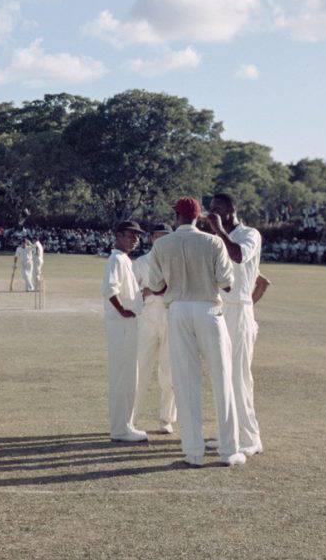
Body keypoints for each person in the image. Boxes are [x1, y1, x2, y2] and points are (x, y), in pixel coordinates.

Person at [146, 198, 245, 468]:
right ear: (198, 217)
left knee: (186, 381)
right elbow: (226, 282)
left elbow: (155, 285)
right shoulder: (212, 242)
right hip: (209, 310)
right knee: (222, 379)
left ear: (176, 216)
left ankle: (193, 452)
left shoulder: (161, 244)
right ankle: (228, 451)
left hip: (177, 310)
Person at [206, 193, 264, 457]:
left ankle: (250, 438)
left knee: (239, 376)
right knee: (222, 373)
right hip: (219, 307)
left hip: (240, 310)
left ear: (230, 210)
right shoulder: (217, 239)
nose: (212, 214)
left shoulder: (250, 234)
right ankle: (228, 433)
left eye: (217, 210)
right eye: (210, 211)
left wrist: (218, 230)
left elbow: (239, 256)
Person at [102, 220, 148, 442]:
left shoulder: (125, 260)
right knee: (123, 377)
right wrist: (122, 311)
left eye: (137, 236)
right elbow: (110, 290)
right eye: (130, 235)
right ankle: (120, 429)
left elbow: (129, 292)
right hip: (121, 326)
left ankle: (125, 425)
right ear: (118, 235)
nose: (135, 239)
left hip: (129, 324)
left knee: (129, 377)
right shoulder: (116, 259)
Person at [132, 223, 176, 434]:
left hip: (170, 318)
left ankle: (166, 419)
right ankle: (130, 418)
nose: (161, 240)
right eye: (158, 236)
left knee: (169, 372)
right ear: (151, 239)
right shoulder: (141, 263)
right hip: (147, 319)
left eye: (166, 237)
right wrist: (146, 291)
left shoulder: (177, 261)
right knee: (140, 369)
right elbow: (129, 295)